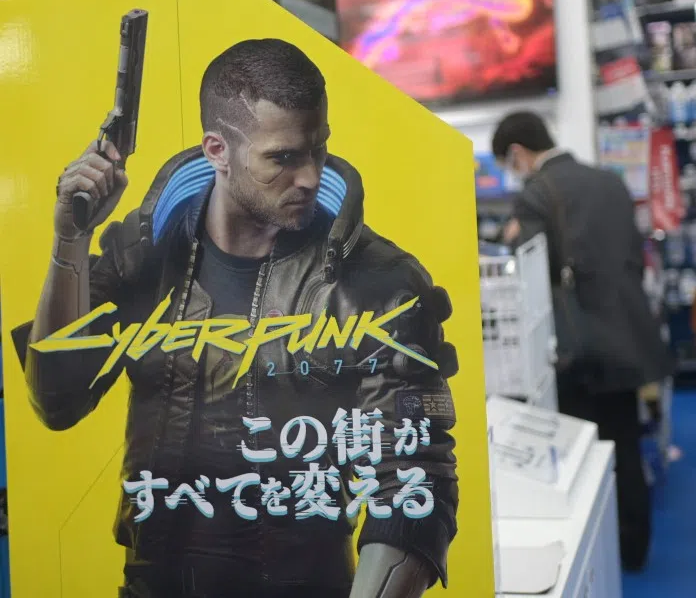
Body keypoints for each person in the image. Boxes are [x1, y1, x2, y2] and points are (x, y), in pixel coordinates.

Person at [12, 39, 461, 598]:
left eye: (318, 149)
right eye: (283, 158)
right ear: (217, 151)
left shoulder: (379, 282)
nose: (311, 176)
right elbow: (55, 399)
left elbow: (415, 486)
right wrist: (71, 240)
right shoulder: (145, 255)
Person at [492, 111, 674, 572]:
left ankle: (599, 551)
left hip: (580, 342)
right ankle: (636, 547)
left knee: (582, 453)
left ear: (517, 154)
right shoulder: (609, 181)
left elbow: (532, 270)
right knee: (624, 444)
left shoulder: (536, 194)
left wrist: (509, 239)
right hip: (628, 329)